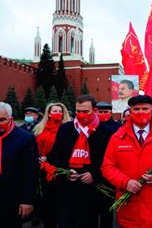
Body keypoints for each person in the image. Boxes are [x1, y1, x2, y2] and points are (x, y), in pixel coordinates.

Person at [101, 95, 152, 227]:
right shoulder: (117, 138)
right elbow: (107, 167)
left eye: (145, 109)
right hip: (130, 211)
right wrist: (125, 182)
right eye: (136, 109)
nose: (140, 112)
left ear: (151, 111)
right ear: (130, 112)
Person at [47, 95, 115, 228]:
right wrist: (66, 170)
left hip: (96, 190)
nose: (81, 115)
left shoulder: (107, 132)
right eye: (78, 111)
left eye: (85, 111)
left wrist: (94, 174)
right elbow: (55, 155)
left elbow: (111, 161)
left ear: (94, 111)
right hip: (69, 188)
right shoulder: (65, 129)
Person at [0, 102, 39, 228]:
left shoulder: (24, 138)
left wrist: (27, 200)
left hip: (11, 199)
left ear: (10, 118)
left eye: (2, 119)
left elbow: (30, 172)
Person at [33, 103, 71, 228]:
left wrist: (48, 157)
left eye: (60, 111)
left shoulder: (67, 129)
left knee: (60, 201)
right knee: (46, 201)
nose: (57, 113)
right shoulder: (40, 128)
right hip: (42, 170)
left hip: (60, 170)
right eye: (55, 111)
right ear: (49, 113)